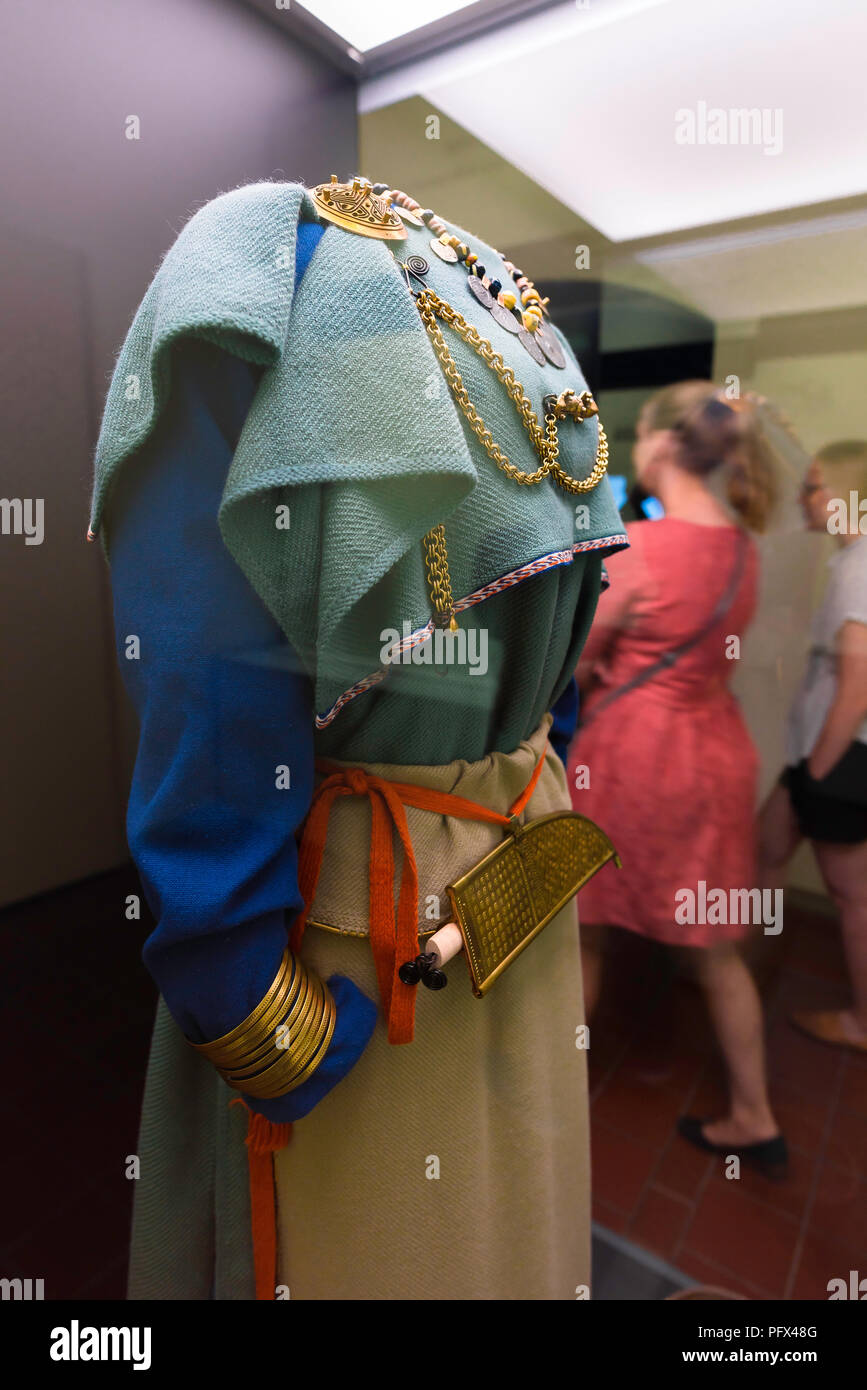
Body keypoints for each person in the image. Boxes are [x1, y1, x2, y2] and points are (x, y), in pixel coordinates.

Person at [89, 176, 628, 1299]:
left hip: (374, 952)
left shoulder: (264, 265)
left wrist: (237, 986)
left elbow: (204, 669)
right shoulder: (501, 313)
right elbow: (549, 667)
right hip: (474, 891)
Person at [568, 381, 788, 1176]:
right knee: (716, 953)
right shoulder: (741, 546)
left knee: (583, 937)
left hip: (636, 755)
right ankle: (754, 1115)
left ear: (660, 445)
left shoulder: (639, 546)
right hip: (712, 755)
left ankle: (552, 1101)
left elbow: (582, 657)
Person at [759, 440, 867, 1054]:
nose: (806, 496)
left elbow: (856, 688)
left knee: (853, 896)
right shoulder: (848, 562)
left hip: (833, 757)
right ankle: (747, 963)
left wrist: (817, 775)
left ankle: (861, 1020)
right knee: (766, 848)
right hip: (812, 754)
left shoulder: (859, 568)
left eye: (817, 485)